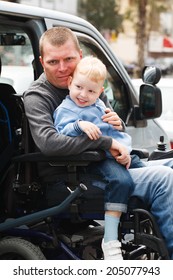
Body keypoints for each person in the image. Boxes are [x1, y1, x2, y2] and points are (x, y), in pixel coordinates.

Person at [24, 26, 173, 260]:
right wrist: (105, 143)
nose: (62, 68)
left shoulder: (89, 85)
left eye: (69, 59)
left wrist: (118, 125)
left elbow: (109, 128)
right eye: (53, 62)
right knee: (164, 180)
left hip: (108, 163)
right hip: (74, 179)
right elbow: (50, 143)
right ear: (42, 62)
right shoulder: (38, 96)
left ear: (80, 56)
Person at [53, 55, 146, 259]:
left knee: (148, 173)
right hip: (97, 158)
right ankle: (110, 239)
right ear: (70, 83)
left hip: (116, 152)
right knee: (121, 181)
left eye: (91, 91)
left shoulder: (98, 106)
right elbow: (61, 131)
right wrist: (80, 125)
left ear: (100, 93)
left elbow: (113, 129)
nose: (83, 95)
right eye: (78, 87)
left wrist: (121, 141)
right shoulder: (67, 109)